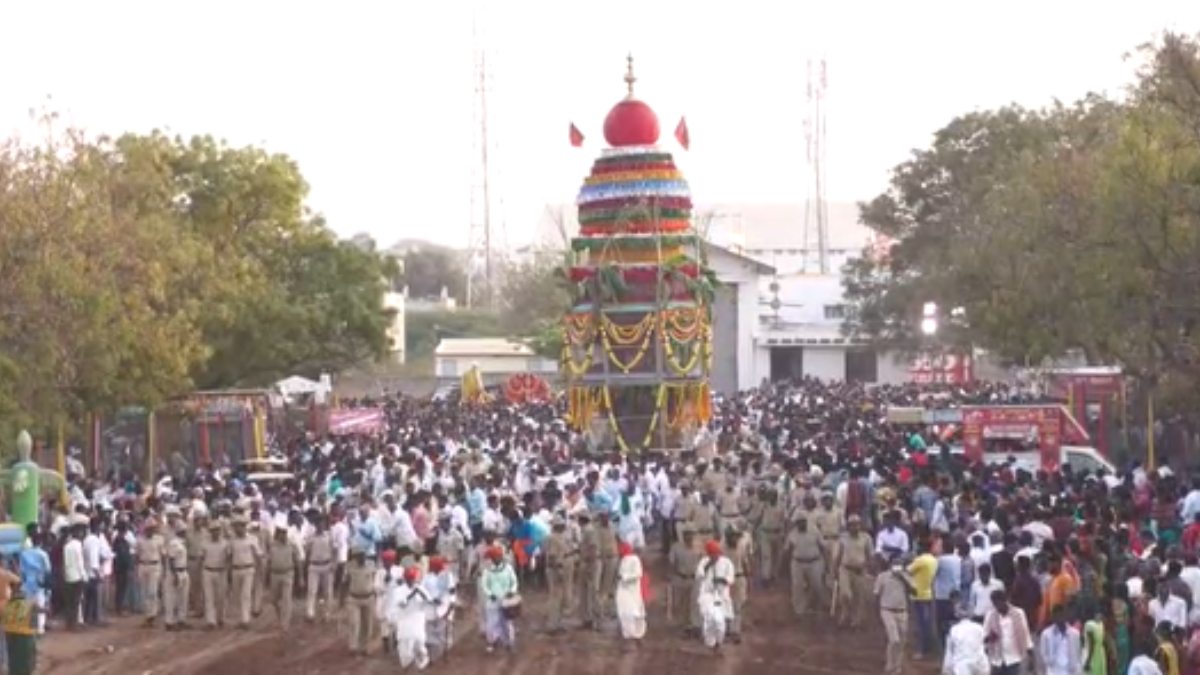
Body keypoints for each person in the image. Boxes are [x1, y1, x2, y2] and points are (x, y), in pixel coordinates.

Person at [874, 552, 913, 675]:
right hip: (887, 610)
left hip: (902, 611)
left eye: (900, 563)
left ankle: (897, 668)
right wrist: (876, 611)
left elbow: (915, 591)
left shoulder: (907, 576)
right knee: (894, 639)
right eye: (895, 563)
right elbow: (876, 594)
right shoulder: (882, 577)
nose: (898, 565)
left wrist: (903, 578)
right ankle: (890, 667)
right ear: (890, 564)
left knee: (901, 641)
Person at [389, 565, 432, 670]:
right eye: (409, 579)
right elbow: (399, 606)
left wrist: (422, 595)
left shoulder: (421, 589)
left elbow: (429, 603)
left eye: (413, 579)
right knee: (405, 655)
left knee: (421, 652)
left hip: (418, 625)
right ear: (405, 579)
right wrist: (411, 596)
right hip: (404, 626)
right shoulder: (398, 591)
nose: (411, 581)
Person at [479, 545, 519, 653]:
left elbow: (514, 581)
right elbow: (484, 584)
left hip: (506, 599)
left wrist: (512, 591)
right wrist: (490, 593)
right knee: (492, 622)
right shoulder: (487, 570)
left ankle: (509, 642)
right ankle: (492, 642)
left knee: (507, 622)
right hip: (492, 600)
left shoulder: (508, 568)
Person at [696, 539, 734, 652]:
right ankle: (710, 643)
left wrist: (722, 580)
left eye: (717, 553)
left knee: (720, 621)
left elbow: (730, 579)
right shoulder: (704, 562)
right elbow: (699, 576)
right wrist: (708, 565)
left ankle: (719, 642)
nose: (715, 556)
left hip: (721, 595)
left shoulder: (726, 562)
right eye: (712, 553)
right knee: (708, 619)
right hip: (707, 595)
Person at [983, 590, 1032, 675]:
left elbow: (1026, 634)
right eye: (994, 604)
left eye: (999, 603)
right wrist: (990, 638)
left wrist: (1031, 655)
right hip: (997, 659)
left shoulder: (1019, 613)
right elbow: (985, 636)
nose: (997, 607)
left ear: (1005, 600)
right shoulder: (990, 615)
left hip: (1014, 657)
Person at [907, 538, 938, 659]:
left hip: (918, 594)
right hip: (930, 594)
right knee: (928, 622)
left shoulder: (920, 560)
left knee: (920, 623)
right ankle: (929, 648)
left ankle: (921, 650)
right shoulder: (934, 560)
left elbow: (908, 571)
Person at [344, 544, 377, 656]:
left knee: (367, 624)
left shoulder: (372, 565)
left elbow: (376, 580)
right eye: (359, 555)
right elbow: (345, 582)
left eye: (363, 555)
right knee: (354, 623)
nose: (361, 557)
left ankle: (365, 646)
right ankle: (353, 646)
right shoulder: (349, 566)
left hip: (369, 598)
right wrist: (341, 599)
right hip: (354, 598)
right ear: (355, 556)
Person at [2, 583, 39, 675]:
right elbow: (34, 622)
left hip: (9, 633)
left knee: (13, 659)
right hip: (25, 635)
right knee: (25, 661)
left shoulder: (5, 605)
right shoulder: (30, 603)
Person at [615, 541, 647, 646]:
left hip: (633, 591)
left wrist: (624, 577)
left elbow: (638, 573)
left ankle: (637, 636)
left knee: (635, 614)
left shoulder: (634, 559)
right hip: (623, 591)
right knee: (625, 614)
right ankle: (629, 638)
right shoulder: (623, 560)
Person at [200, 520, 229, 628]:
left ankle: (220, 618)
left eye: (217, 530)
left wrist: (228, 570)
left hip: (221, 571)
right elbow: (201, 558)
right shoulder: (205, 543)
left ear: (220, 531)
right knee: (209, 597)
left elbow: (229, 557)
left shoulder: (225, 543)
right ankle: (210, 621)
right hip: (208, 571)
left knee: (221, 597)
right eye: (213, 530)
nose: (215, 532)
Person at [942, 608, 989, 675]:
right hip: (980, 664)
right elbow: (985, 645)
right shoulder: (979, 628)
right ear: (971, 615)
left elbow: (949, 652)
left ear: (957, 615)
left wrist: (946, 670)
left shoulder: (954, 630)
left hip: (962, 667)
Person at [162, 521, 190, 630]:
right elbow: (171, 560)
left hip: (183, 571)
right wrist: (174, 575)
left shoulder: (182, 542)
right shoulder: (174, 543)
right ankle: (169, 622)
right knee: (171, 598)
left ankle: (181, 620)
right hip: (175, 572)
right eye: (184, 531)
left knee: (183, 598)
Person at [1038, 606, 1082, 675]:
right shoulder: (1046, 634)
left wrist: (1078, 669)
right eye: (1056, 616)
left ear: (1065, 616)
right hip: (1053, 671)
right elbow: (1043, 653)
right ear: (1053, 617)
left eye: (1061, 615)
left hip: (1070, 670)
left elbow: (1078, 653)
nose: (1059, 618)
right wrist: (1049, 662)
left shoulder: (1075, 634)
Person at [1083, 605, 1108, 675]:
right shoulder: (1101, 624)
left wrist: (1087, 661)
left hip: (1092, 656)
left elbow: (1092, 644)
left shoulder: (1089, 625)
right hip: (1100, 654)